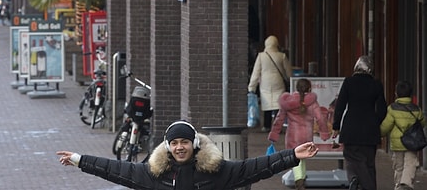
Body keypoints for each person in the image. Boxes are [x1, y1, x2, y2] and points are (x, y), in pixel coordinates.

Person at [57, 119, 320, 190]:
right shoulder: (152, 173)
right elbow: (115, 170)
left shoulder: (217, 171)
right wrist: (81, 160)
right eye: (175, 143)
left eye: (184, 142)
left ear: (193, 144)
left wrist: (291, 156)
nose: (179, 147)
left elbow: (256, 167)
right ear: (168, 146)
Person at [331, 56, 387, 190]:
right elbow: (382, 109)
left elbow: (340, 105)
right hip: (370, 129)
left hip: (351, 128)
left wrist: (336, 126)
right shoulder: (376, 84)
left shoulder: (349, 82)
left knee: (351, 158)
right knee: (368, 161)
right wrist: (375, 121)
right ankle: (366, 184)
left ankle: (354, 179)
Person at [269, 78, 330, 190]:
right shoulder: (312, 102)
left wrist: (274, 134)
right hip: (307, 135)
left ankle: (299, 181)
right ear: (309, 88)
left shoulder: (288, 102)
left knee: (296, 157)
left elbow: (279, 119)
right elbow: (320, 118)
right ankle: (301, 178)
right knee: (302, 157)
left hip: (293, 136)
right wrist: (324, 133)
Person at [379, 80, 426, 190]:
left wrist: (380, 133)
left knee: (398, 166)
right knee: (410, 163)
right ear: (410, 94)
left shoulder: (392, 108)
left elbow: (386, 126)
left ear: (396, 94)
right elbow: (423, 123)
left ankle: (399, 185)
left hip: (397, 143)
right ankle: (406, 184)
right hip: (412, 143)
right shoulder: (416, 109)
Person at [248, 35, 292, 130]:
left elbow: (256, 73)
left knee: (266, 104)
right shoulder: (282, 56)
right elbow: (288, 72)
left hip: (265, 84)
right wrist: (290, 80)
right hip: (278, 83)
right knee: (278, 105)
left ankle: (266, 125)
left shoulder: (261, 56)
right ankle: (277, 127)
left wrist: (251, 87)